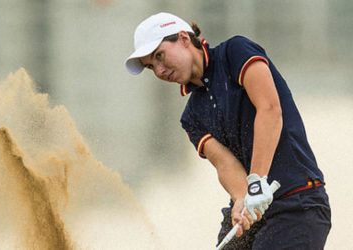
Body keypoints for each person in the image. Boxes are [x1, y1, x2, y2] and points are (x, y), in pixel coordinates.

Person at [125, 12, 331, 249]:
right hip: (254, 212)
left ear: (183, 38)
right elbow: (226, 164)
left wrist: (256, 182)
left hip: (298, 204)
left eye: (159, 56)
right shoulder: (191, 117)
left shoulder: (235, 52)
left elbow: (270, 109)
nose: (159, 70)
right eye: (151, 66)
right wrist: (242, 197)